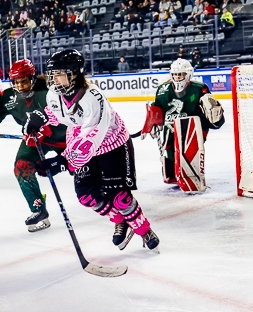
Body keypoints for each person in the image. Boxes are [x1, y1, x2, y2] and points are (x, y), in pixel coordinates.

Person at [21, 49, 160, 251]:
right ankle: (120, 220)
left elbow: (92, 136)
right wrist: (39, 120)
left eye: (59, 73)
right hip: (81, 145)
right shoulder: (54, 94)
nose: (53, 79)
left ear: (74, 73)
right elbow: (55, 112)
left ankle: (144, 230)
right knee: (87, 196)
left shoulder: (93, 97)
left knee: (120, 198)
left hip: (112, 144)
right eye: (53, 74)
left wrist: (63, 161)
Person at [0, 59, 67, 232]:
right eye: (16, 82)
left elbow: (66, 116)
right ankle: (38, 209)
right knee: (22, 166)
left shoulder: (49, 92)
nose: (20, 86)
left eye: (24, 81)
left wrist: (46, 128)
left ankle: (111, 196)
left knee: (85, 167)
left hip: (64, 138)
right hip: (34, 140)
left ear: (32, 78)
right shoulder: (8, 97)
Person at [141, 59, 225, 185]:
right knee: (170, 150)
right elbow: (157, 108)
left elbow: (212, 115)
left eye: (180, 74)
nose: (177, 77)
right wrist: (151, 121)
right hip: (170, 128)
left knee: (190, 152)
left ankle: (192, 173)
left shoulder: (199, 89)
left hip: (193, 128)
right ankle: (173, 173)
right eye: (175, 74)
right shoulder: (163, 89)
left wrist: (215, 118)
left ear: (188, 74)